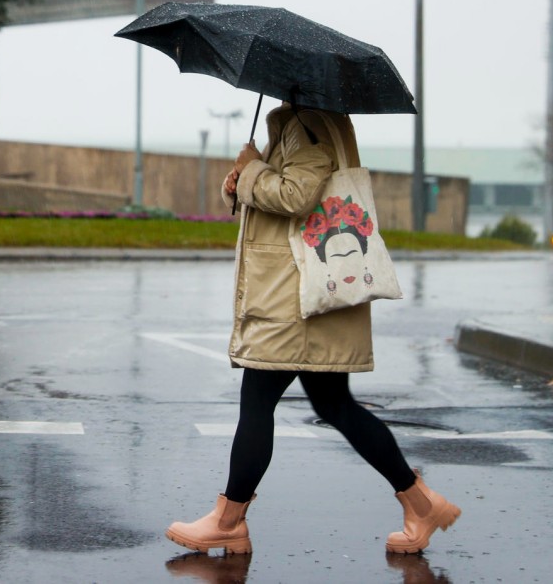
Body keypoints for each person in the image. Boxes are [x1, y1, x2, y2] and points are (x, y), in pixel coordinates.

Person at [164, 102, 461, 555]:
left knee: (258, 401)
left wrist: (251, 171)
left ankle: (228, 521)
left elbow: (297, 196)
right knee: (335, 404)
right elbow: (286, 189)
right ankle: (421, 504)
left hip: (293, 297)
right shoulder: (308, 121)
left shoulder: (304, 123)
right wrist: (240, 181)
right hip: (307, 292)